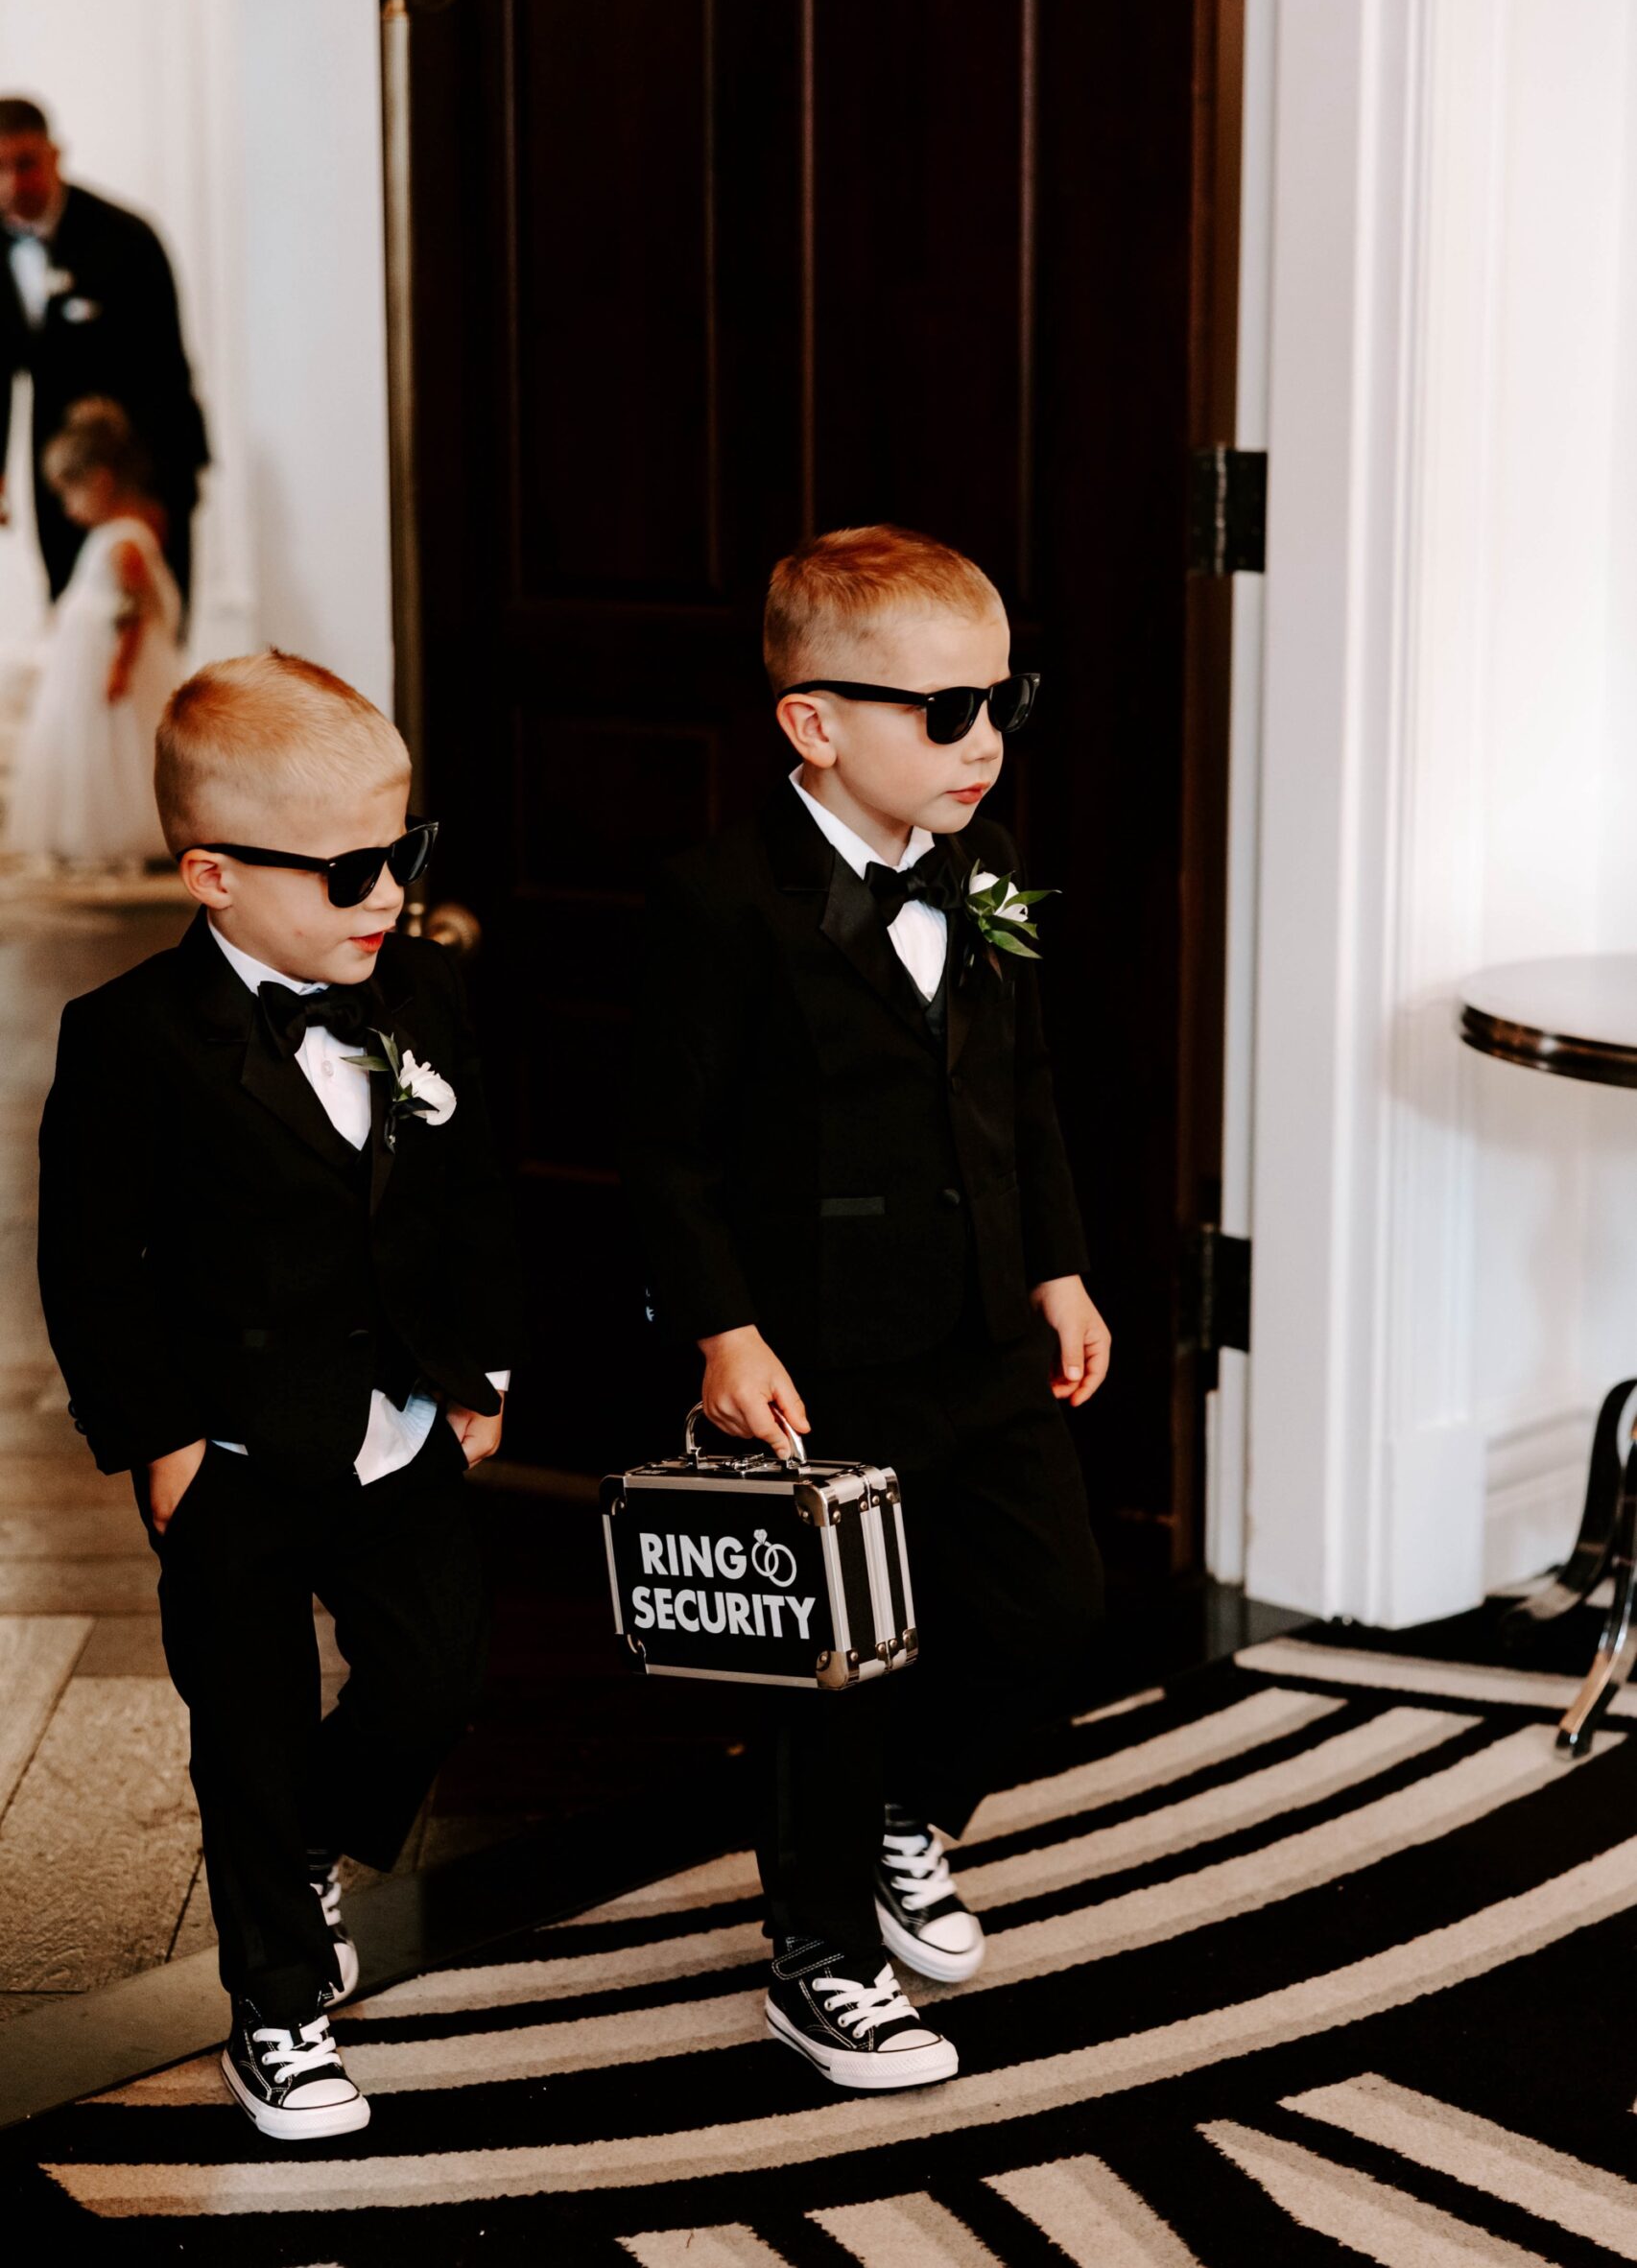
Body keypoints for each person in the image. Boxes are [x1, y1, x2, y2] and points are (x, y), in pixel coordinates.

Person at [623, 523, 1110, 2092]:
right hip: (816, 1357)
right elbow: (666, 1146)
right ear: (814, 723)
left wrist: (1057, 1267)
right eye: (942, 713)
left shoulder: (995, 877)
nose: (983, 745)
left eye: (1000, 702)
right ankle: (818, 1961)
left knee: (1052, 1613)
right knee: (832, 1674)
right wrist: (722, 1327)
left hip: (982, 1328)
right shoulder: (720, 902)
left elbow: (1023, 1085)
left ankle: (917, 1813)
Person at [36, 651, 519, 2142]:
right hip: (235, 1452)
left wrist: (483, 1370)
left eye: (406, 853)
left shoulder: (420, 987)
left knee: (434, 1679)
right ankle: (279, 2007)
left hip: (402, 1431)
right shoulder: (131, 1042)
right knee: (245, 1726)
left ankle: (309, 1841)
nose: (391, 894)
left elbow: (474, 1198)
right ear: (215, 877)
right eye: (355, 869)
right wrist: (164, 1442)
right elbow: (88, 1265)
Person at [0, 96, 208, 608]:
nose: (10, 184)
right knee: (73, 616)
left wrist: (152, 497)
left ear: (55, 155)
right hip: (62, 481)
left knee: (146, 626)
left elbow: (166, 372)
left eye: (24, 164)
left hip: (143, 467)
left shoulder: (127, 240)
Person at [7, 398, 180, 866]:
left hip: (110, 669)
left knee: (117, 752)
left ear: (100, 482)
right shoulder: (110, 536)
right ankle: (91, 836)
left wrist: (120, 667)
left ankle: (123, 834)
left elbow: (133, 611)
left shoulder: (124, 541)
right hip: (85, 666)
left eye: (69, 493)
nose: (66, 507)